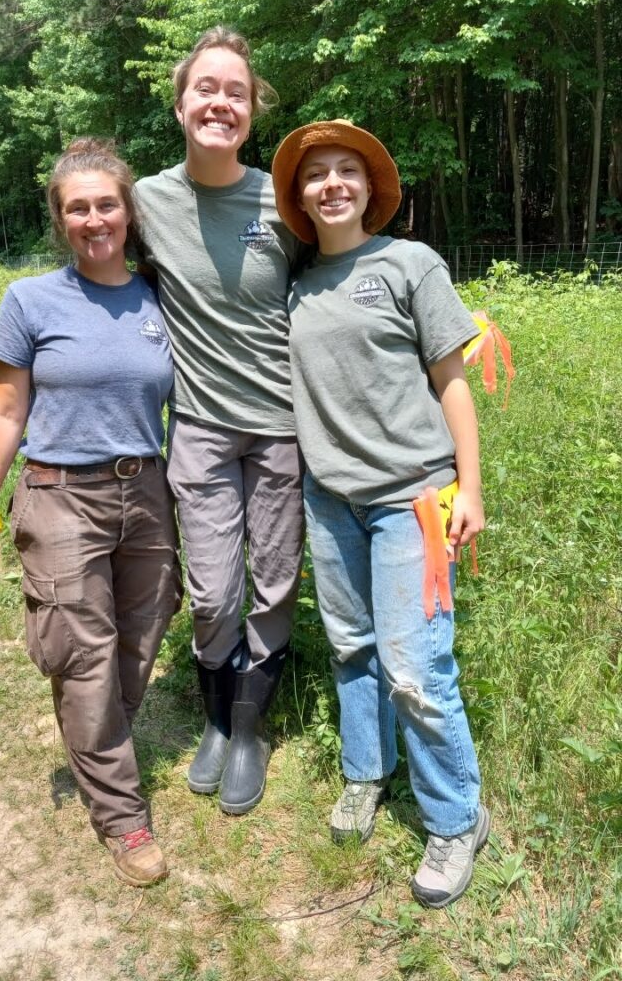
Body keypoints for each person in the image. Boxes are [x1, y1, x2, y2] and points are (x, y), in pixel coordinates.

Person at [271, 120, 489, 909]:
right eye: (315, 175)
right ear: (298, 196)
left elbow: (452, 380)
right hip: (330, 500)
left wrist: (471, 487)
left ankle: (456, 817)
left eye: (346, 172)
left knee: (415, 665)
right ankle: (367, 775)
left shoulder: (408, 264)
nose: (331, 184)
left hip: (411, 500)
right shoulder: (294, 286)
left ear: (370, 189)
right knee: (353, 648)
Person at [0, 138, 181, 888]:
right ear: (61, 219)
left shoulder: (159, 296)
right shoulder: (30, 300)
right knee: (84, 657)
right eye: (77, 207)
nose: (94, 219)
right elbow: (6, 408)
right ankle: (122, 817)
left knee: (140, 639)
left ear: (128, 210)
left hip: (147, 490)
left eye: (106, 204)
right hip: (59, 495)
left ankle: (99, 743)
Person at [131, 27, 306, 815]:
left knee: (272, 581)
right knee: (212, 590)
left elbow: (343, 263)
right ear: (180, 105)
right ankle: (213, 716)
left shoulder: (284, 197)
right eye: (207, 88)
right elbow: (102, 268)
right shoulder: (147, 201)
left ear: (252, 109)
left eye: (236, 91)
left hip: (281, 425)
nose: (221, 103)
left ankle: (248, 729)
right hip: (198, 427)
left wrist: (434, 311)